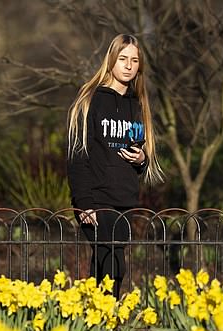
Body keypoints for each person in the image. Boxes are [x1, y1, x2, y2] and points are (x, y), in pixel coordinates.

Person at [66, 34, 163, 298]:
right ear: (111, 60)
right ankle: (106, 322)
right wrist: (84, 202)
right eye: (123, 59)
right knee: (111, 264)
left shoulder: (137, 104)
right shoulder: (90, 100)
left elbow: (142, 156)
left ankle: (94, 325)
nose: (129, 65)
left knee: (109, 265)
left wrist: (142, 160)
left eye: (134, 60)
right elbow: (76, 158)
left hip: (125, 198)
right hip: (96, 199)